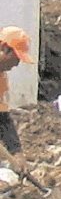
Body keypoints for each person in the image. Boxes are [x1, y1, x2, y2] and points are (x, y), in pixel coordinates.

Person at [0, 26, 34, 154]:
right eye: (17, 57)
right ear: (4, 48)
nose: (17, 64)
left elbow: (2, 118)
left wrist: (16, 151)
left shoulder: (1, 78)